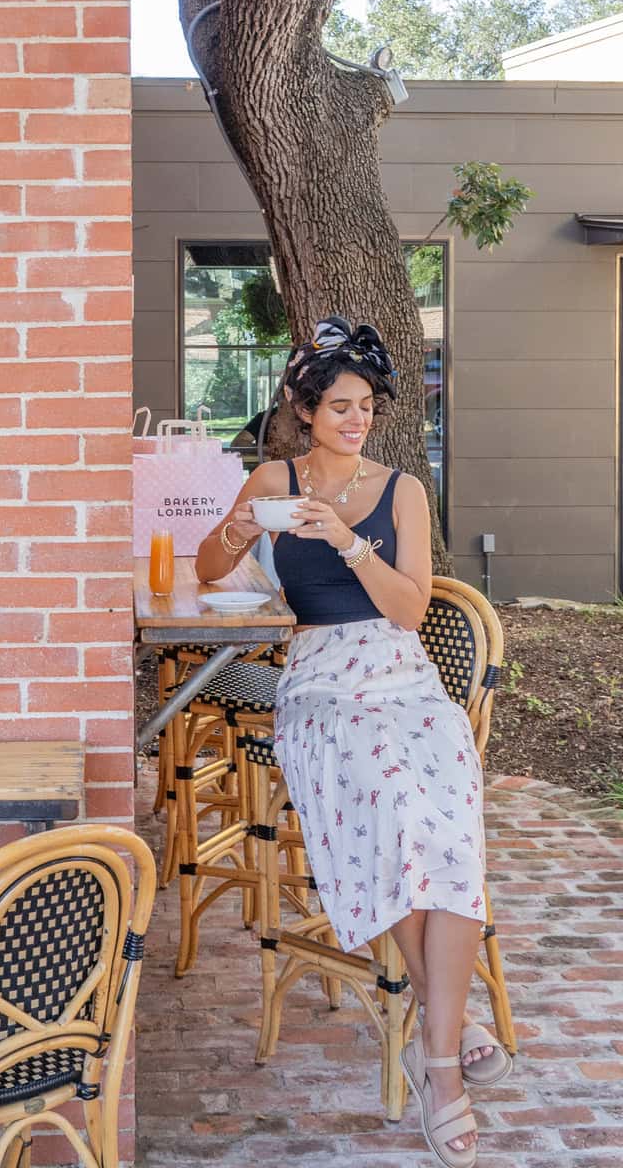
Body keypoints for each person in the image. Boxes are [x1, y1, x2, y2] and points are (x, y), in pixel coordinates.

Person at [195, 317, 512, 1168]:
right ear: (304, 410)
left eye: (366, 406)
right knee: (403, 811)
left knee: (444, 822)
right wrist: (240, 529)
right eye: (340, 406)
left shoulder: (402, 489)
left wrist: (344, 540)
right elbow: (206, 571)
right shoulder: (275, 475)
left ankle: (433, 1039)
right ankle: (446, 1058)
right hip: (323, 681)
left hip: (403, 676)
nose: (356, 420)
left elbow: (410, 608)